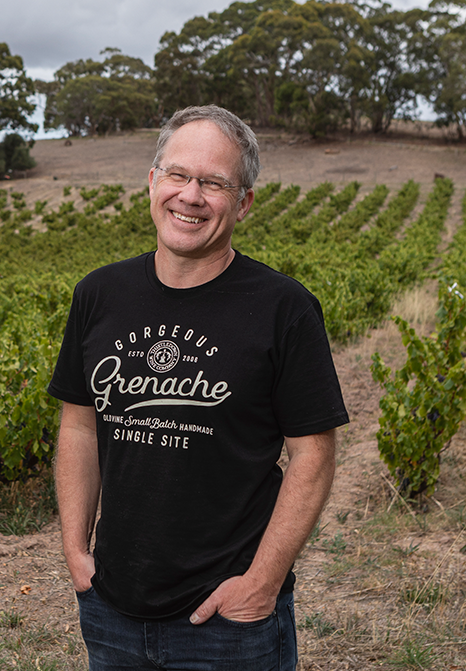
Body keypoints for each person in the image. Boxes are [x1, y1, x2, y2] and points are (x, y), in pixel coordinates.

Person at [48, 104, 349, 670]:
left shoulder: (283, 308)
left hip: (228, 623)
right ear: (152, 182)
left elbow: (314, 454)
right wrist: (75, 551)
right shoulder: (98, 295)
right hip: (111, 609)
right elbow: (79, 425)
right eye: (179, 175)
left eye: (214, 183)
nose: (191, 196)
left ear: (244, 202)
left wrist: (261, 584)